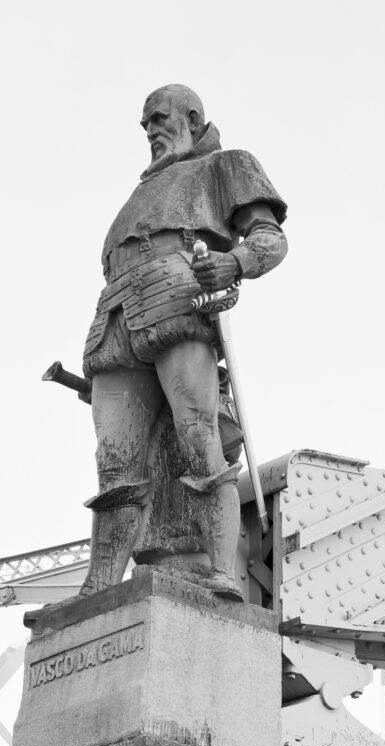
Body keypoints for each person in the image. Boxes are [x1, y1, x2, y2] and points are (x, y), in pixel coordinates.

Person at [80, 84, 287, 600]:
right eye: (145, 123)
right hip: (117, 315)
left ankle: (221, 571)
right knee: (114, 459)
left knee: (198, 437)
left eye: (158, 118)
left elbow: (269, 238)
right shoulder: (139, 191)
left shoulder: (227, 165)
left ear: (192, 118)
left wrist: (232, 262)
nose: (149, 130)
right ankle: (100, 584)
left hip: (179, 300)